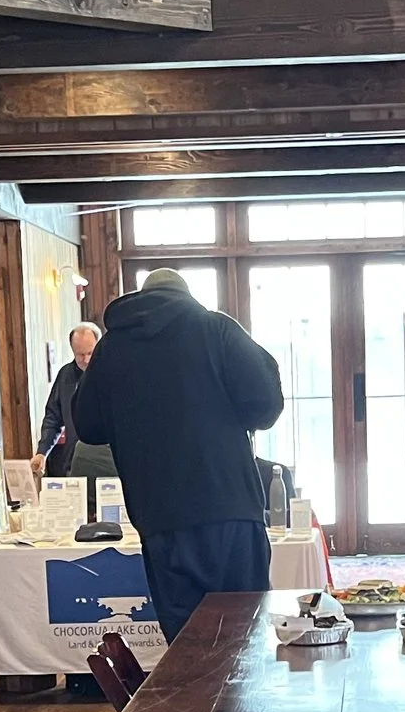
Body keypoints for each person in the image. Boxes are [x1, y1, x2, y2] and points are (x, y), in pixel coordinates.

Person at [72, 268, 285, 639]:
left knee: (186, 644)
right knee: (243, 633)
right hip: (229, 508)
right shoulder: (217, 330)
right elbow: (266, 407)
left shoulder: (111, 348)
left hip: (159, 518)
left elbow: (87, 427)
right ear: (186, 295)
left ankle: (194, 682)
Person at [34, 321, 114, 486]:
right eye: (80, 355)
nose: (86, 360)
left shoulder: (113, 374)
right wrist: (42, 452)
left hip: (108, 465)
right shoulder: (65, 376)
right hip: (73, 465)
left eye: (90, 353)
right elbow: (53, 418)